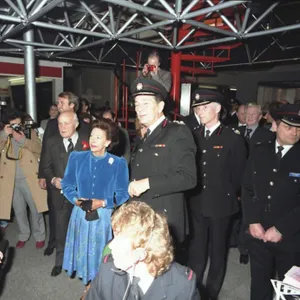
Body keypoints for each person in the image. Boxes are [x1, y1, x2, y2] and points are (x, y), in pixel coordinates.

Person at [188, 89, 247, 300]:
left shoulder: (232, 138)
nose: (200, 112)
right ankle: (191, 290)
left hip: (221, 204)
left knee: (218, 252)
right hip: (196, 204)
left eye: (204, 108)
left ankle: (211, 294)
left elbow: (239, 175)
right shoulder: (193, 135)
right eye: (197, 108)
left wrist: (226, 192)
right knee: (196, 251)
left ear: (218, 109)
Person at [129, 78, 197, 256]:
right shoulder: (146, 135)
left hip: (164, 220)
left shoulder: (177, 132)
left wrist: (148, 183)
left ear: (160, 107)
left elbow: (188, 178)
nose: (139, 109)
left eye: (145, 103)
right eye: (137, 104)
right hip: (144, 217)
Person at [84, 201, 200, 300]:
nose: (110, 246)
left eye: (120, 241)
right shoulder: (108, 271)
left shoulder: (182, 286)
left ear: (141, 253)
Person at [242, 103, 300, 300]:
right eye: (289, 127)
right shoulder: (259, 151)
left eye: (299, 128)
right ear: (275, 126)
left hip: (291, 236)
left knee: (289, 289)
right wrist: (252, 220)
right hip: (258, 233)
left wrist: (281, 228)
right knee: (259, 285)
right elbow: (247, 188)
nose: (295, 133)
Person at [62, 118, 129, 285]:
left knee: (101, 258)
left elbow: (123, 194)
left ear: (108, 142)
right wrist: (76, 200)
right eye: (92, 135)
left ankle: (97, 286)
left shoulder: (119, 164)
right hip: (80, 215)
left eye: (99, 137)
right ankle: (88, 287)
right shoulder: (76, 158)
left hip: (103, 218)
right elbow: (67, 185)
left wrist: (103, 202)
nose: (93, 140)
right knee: (83, 254)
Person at [38, 92, 91, 258]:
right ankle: (53, 242)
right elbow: (45, 150)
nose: (58, 106)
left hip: (78, 188)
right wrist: (44, 176)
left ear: (72, 106)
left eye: (62, 103)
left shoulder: (86, 127)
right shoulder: (52, 124)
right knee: (55, 214)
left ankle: (75, 250)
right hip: (56, 178)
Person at [0, 109, 47, 249]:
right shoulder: (3, 135)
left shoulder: (28, 132)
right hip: (10, 179)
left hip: (29, 177)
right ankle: (23, 234)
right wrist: (4, 134)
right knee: (19, 210)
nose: (16, 128)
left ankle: (40, 235)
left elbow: (40, 148)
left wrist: (23, 141)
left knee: (36, 209)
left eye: (18, 124)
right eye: (13, 125)